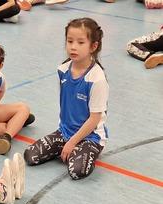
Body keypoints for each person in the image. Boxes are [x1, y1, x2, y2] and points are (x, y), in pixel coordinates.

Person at [24, 18, 108, 180]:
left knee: (76, 171)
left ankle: (83, 151)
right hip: (65, 132)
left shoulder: (97, 79)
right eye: (70, 41)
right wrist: (66, 138)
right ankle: (71, 150)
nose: (73, 47)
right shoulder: (62, 70)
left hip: (90, 137)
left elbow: (94, 119)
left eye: (80, 42)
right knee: (30, 156)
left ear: (93, 46)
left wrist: (72, 143)